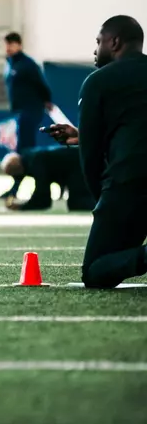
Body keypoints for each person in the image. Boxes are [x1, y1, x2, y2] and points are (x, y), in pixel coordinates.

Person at [46, 15, 147, 289]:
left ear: (114, 42)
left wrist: (101, 200)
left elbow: (90, 156)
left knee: (96, 272)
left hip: (129, 186)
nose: (95, 49)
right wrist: (82, 135)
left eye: (98, 41)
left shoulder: (98, 81)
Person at [0, 31, 54, 200]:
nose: (7, 47)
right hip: (20, 112)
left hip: (31, 110)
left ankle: (36, 186)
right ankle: (18, 188)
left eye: (11, 44)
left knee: (25, 151)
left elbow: (41, 85)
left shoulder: (27, 64)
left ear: (19, 45)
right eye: (6, 44)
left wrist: (46, 100)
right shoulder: (10, 64)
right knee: (24, 150)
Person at [1, 146, 94, 213]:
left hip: (79, 164)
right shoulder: (28, 159)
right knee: (76, 203)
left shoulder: (36, 163)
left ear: (18, 170)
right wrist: (12, 195)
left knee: (78, 203)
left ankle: (106, 208)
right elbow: (18, 180)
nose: (15, 177)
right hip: (77, 161)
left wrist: (21, 207)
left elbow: (42, 199)